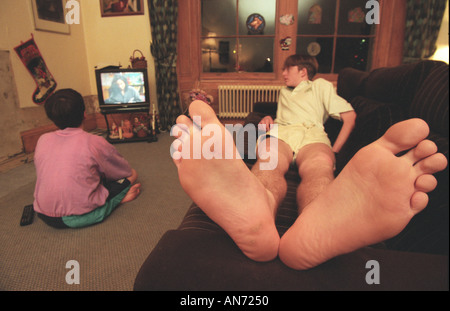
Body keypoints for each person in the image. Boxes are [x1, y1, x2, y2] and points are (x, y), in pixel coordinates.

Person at [171, 91, 447, 270]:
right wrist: (268, 119)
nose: (284, 74)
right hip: (281, 132)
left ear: (301, 70)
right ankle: (285, 208)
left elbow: (349, 117)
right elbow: (277, 116)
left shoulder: (323, 88)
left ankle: (283, 206)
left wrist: (338, 147)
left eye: (287, 70)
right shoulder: (283, 93)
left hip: (313, 135)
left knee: (315, 164)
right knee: (278, 162)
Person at [33, 89, 141, 229]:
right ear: (84, 114)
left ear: (53, 119)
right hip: (78, 217)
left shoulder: (43, 139)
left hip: (43, 214)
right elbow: (123, 171)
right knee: (132, 174)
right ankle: (114, 203)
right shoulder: (94, 142)